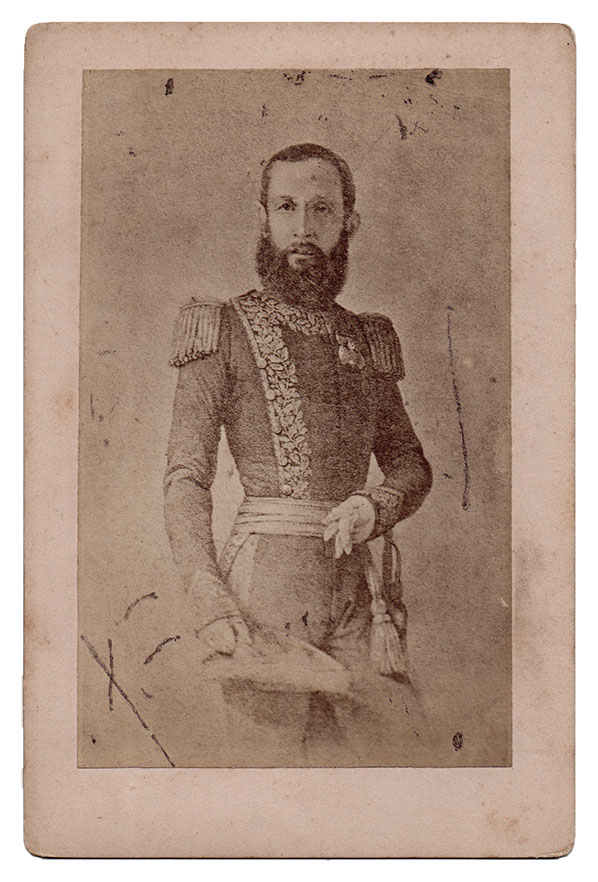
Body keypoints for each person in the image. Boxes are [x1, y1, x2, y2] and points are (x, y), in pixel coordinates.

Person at [164, 143, 433, 766]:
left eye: (321, 209)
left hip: (358, 595)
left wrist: (374, 506)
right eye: (286, 207)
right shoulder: (220, 328)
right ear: (263, 218)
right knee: (270, 775)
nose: (303, 227)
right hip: (263, 595)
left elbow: (410, 464)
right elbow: (185, 480)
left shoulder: (366, 337)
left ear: (348, 222)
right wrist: (209, 600)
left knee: (391, 764)